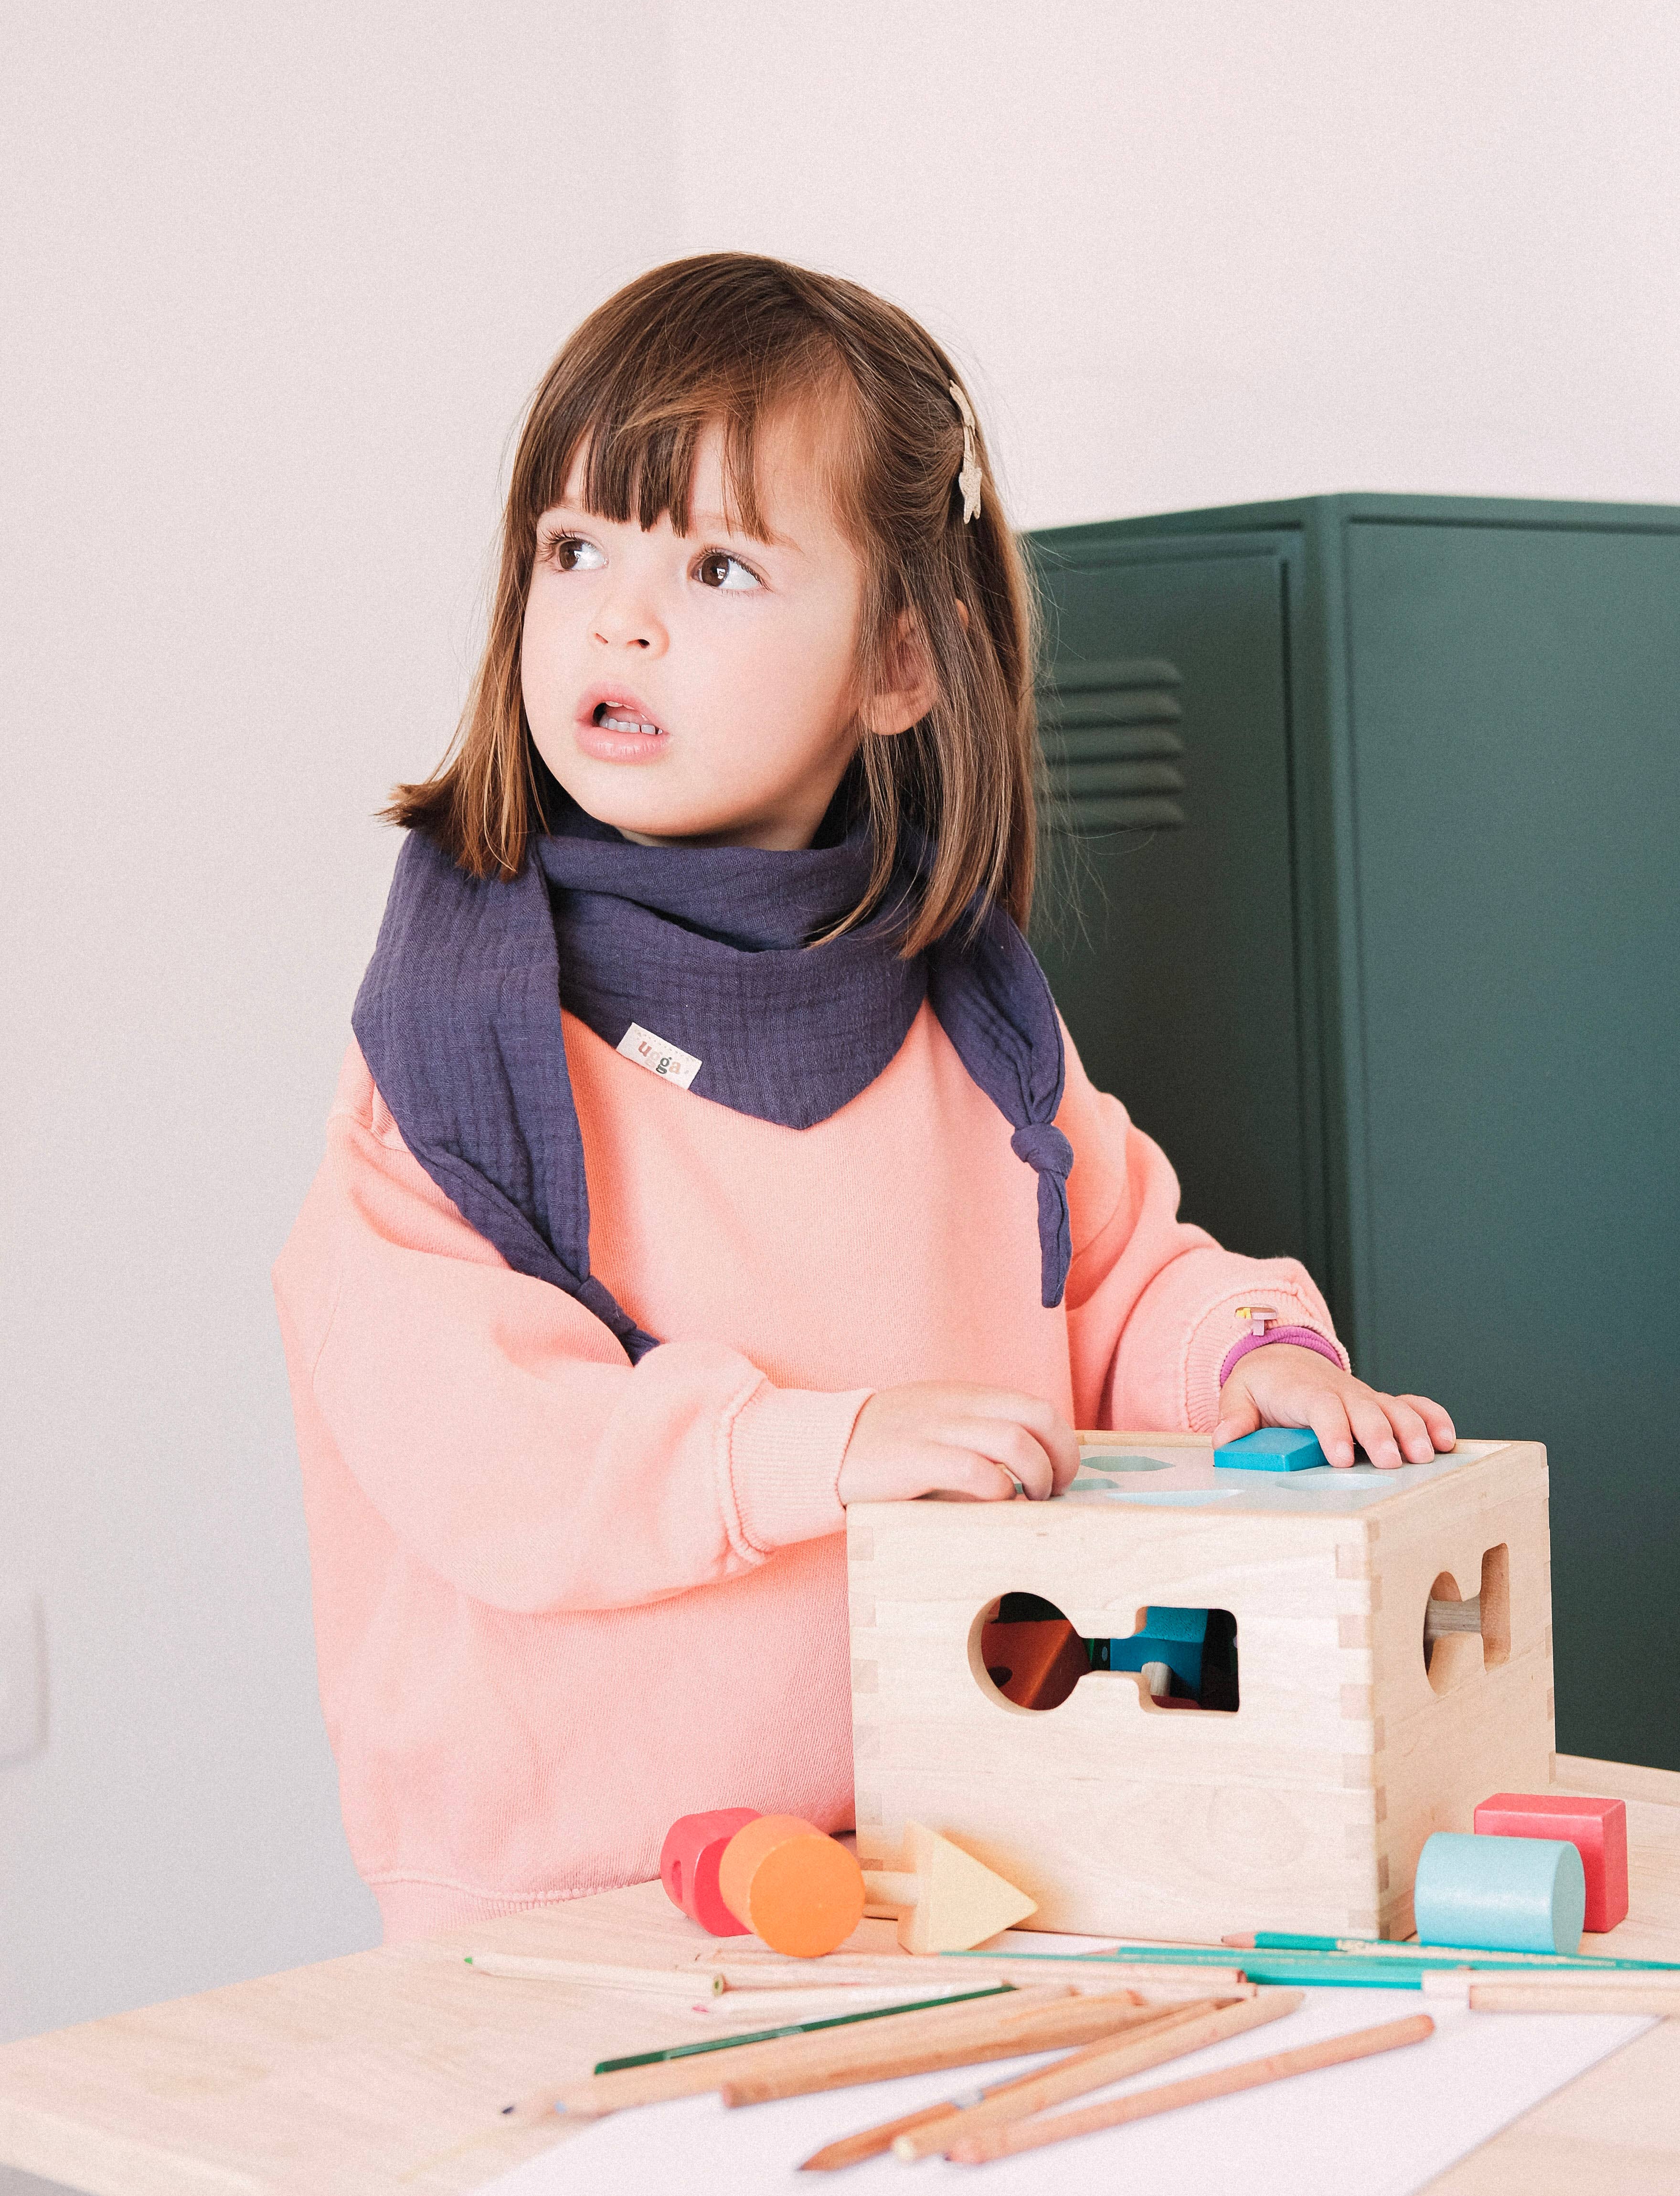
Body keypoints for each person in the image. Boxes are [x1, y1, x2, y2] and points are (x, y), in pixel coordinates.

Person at [273, 254, 1455, 1942]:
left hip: (957, 1838)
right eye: (575, 547)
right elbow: (481, 1439)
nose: (619, 616)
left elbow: (1115, 1272)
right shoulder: (451, 1039)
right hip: (582, 1900)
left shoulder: (966, 1008)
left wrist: (1249, 1358)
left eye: (719, 565)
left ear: (899, 662)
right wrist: (820, 1449)